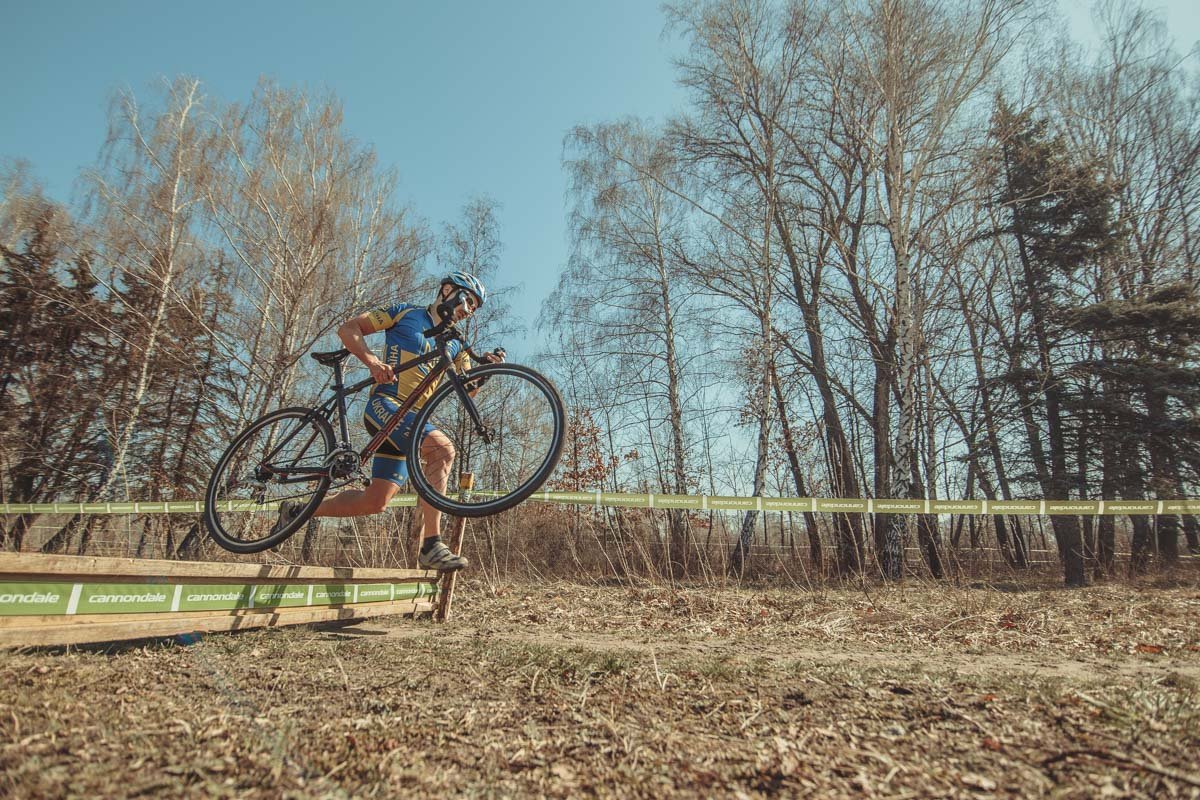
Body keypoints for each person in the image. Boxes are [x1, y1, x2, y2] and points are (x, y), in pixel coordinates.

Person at [275, 271, 500, 571]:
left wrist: (485, 368)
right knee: (443, 450)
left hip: (411, 423)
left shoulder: (455, 344)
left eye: (474, 308)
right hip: (385, 404)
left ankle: (299, 510)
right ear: (447, 291)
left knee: (375, 502)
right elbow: (348, 328)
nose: (468, 310)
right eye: (467, 301)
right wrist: (372, 362)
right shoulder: (405, 313)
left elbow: (468, 387)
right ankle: (431, 545)